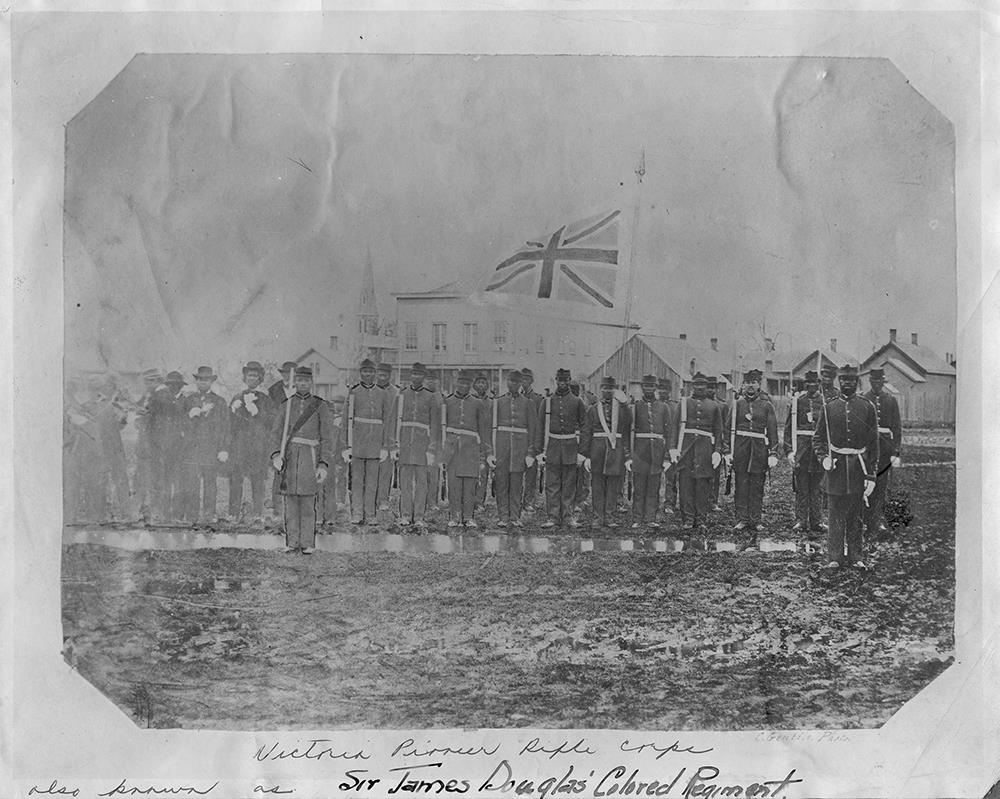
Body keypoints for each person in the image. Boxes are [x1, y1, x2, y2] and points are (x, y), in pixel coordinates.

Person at [812, 365, 879, 569]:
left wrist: (871, 476)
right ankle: (835, 557)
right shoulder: (829, 406)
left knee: (856, 516)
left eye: (851, 380)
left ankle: (856, 556)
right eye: (844, 380)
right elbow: (818, 439)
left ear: (857, 382)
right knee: (835, 514)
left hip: (858, 469)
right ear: (839, 381)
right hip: (836, 468)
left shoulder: (867, 407)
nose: (847, 383)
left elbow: (874, 445)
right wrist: (824, 458)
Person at [270, 366, 334, 554]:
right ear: (294, 382)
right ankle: (292, 542)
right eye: (299, 380)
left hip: (310, 457)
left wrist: (323, 463)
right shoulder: (286, 405)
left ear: (311, 383)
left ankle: (307, 543)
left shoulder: (320, 405)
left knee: (307, 502)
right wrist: (276, 455)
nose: (303, 384)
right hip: (289, 457)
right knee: (290, 502)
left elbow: (327, 437)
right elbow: (275, 433)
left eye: (306, 380)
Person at [727, 369, 779, 545]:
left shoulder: (767, 406)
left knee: (757, 487)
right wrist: (727, 451)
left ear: (759, 385)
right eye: (748, 382)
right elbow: (728, 430)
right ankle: (742, 519)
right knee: (741, 485)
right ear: (743, 385)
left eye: (754, 382)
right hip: (741, 451)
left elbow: (772, 431)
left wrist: (773, 452)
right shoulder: (736, 405)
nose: (751, 385)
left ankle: (755, 520)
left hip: (759, 452)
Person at [670, 373, 724, 532]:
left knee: (703, 486)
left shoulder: (713, 406)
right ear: (692, 386)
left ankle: (700, 519)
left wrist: (717, 451)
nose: (700, 387)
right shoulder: (684, 403)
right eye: (696, 384)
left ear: (707, 387)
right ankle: (687, 518)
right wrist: (673, 448)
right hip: (686, 450)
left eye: (703, 385)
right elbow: (674, 427)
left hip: (705, 450)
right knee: (686, 485)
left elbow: (718, 431)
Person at [342, 358, 393, 526]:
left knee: (373, 481)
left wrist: (385, 446)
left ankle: (370, 514)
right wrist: (346, 446)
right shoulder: (353, 392)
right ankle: (357, 513)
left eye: (371, 371)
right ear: (360, 373)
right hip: (357, 442)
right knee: (357, 480)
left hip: (376, 443)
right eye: (364, 371)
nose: (368, 374)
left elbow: (387, 420)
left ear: (375, 373)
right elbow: (345, 421)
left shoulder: (382, 393)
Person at [535, 368, 586, 529]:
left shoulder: (577, 402)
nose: (562, 383)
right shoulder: (547, 402)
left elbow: (585, 427)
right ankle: (553, 517)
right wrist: (539, 452)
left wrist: (582, 452)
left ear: (569, 380)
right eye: (559, 380)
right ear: (555, 380)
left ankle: (568, 517)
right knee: (552, 485)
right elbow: (540, 427)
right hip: (553, 447)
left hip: (571, 447)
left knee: (569, 484)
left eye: (565, 380)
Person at [177, 366, 230, 524]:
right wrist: (190, 415)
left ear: (211, 381)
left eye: (206, 379)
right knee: (192, 483)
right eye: (200, 379)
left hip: (211, 449)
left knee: (210, 483)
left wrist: (224, 449)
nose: (203, 382)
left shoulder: (220, 402)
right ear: (196, 381)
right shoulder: (188, 400)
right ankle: (192, 514)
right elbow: (180, 424)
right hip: (192, 449)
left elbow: (226, 427)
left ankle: (209, 514)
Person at [487, 370, 537, 528]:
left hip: (520, 450)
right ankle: (503, 516)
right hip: (501, 448)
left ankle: (515, 516)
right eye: (510, 381)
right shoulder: (499, 402)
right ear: (506, 382)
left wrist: (530, 453)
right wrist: (490, 453)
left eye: (516, 382)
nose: (513, 384)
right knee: (501, 482)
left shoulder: (529, 403)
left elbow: (533, 430)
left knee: (516, 483)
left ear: (521, 383)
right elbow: (490, 429)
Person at [581, 376, 632, 529]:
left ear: (614, 390)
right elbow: (586, 433)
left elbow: (629, 424)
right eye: (604, 388)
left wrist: (624, 404)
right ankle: (597, 517)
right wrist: (586, 456)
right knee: (597, 484)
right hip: (597, 450)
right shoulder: (592, 408)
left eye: (610, 388)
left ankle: (609, 517)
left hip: (615, 451)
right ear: (600, 389)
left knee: (613, 486)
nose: (607, 391)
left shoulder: (622, 410)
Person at [442, 369, 491, 527]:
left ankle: (468, 516)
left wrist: (486, 453)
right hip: (452, 449)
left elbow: (483, 430)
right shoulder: (448, 401)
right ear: (457, 383)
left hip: (470, 449)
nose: (464, 385)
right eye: (461, 382)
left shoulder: (477, 403)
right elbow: (442, 427)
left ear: (471, 385)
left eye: (467, 383)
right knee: (454, 483)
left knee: (470, 484)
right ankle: (455, 516)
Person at [394, 362, 441, 527]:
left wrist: (432, 448)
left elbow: (435, 425)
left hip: (422, 445)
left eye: (420, 375)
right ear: (410, 376)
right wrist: (395, 445)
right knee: (405, 482)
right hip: (406, 443)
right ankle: (406, 515)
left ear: (424, 377)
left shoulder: (430, 396)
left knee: (422, 482)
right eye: (414, 374)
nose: (416, 377)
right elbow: (395, 420)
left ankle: (419, 516)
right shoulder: (402, 394)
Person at [228, 361, 273, 523]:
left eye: (255, 376)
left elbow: (271, 423)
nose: (252, 379)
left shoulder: (266, 399)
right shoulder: (237, 397)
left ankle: (258, 513)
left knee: (257, 480)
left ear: (260, 379)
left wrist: (258, 413)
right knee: (236, 479)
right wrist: (234, 410)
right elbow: (230, 425)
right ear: (244, 378)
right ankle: (233, 512)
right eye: (249, 376)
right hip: (240, 445)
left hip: (257, 445)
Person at [783, 370, 827, 536]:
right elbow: (789, 429)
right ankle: (801, 520)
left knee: (817, 488)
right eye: (807, 383)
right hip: (801, 451)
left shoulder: (824, 403)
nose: (811, 386)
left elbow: (828, 431)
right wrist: (789, 451)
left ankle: (817, 521)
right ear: (804, 384)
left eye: (814, 383)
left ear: (819, 384)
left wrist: (826, 453)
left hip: (818, 453)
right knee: (801, 487)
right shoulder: (797, 402)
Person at [862, 368, 902, 539]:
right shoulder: (863, 399)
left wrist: (895, 452)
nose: (877, 385)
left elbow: (897, 428)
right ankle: (865, 520)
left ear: (883, 382)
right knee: (865, 484)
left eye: (880, 382)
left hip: (885, 449)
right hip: (867, 449)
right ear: (870, 382)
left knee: (881, 485)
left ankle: (877, 520)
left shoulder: (890, 400)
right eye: (874, 382)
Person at [630, 374, 673, 528]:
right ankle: (637, 518)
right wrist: (630, 456)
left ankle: (650, 518)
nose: (649, 389)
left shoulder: (663, 407)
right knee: (639, 486)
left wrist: (667, 456)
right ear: (642, 387)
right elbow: (630, 431)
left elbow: (669, 433)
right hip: (640, 453)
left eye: (652, 386)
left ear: (655, 388)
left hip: (657, 452)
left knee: (654, 486)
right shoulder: (635, 407)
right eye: (646, 386)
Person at [267, 361, 297, 521]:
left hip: (297, 435)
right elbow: (270, 412)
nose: (287, 376)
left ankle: (292, 510)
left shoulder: (301, 390)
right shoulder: (274, 390)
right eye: (284, 373)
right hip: (279, 434)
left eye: (290, 373)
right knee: (279, 471)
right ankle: (278, 510)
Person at [375, 362, 400, 518]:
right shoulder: (371, 390)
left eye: (385, 375)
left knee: (386, 469)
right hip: (371, 434)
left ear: (390, 376)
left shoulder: (396, 392)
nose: (382, 377)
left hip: (390, 434)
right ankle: (370, 498)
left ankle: (384, 498)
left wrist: (394, 442)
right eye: (380, 374)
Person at [519, 367, 545, 514]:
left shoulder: (538, 399)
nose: (524, 382)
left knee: (531, 472)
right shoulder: (515, 397)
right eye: (522, 379)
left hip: (532, 439)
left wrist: (538, 446)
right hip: (518, 439)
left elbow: (540, 424)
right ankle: (517, 499)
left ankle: (529, 501)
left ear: (532, 381)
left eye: (527, 379)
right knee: (516, 472)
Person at [657, 378, 679, 516]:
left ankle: (669, 503)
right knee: (653, 476)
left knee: (671, 476)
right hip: (655, 445)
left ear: (670, 391)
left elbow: (675, 428)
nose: (662, 392)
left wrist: (672, 447)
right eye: (660, 389)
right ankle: (652, 502)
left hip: (671, 444)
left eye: (665, 389)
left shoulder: (674, 406)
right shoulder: (654, 405)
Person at [472, 371, 494, 511]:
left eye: (483, 383)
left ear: (487, 386)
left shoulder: (491, 403)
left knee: (483, 471)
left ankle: (480, 501)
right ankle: (469, 500)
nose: (481, 385)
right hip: (471, 440)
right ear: (474, 385)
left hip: (486, 439)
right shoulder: (470, 400)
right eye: (478, 383)